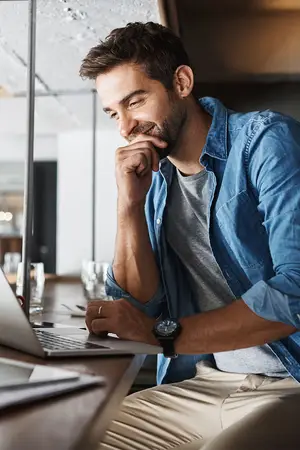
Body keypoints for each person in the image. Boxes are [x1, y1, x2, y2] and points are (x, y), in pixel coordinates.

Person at [80, 22, 300, 450]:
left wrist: (164, 334)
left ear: (181, 82)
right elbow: (137, 304)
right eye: (113, 113)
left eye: (135, 101)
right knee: (78, 435)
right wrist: (129, 204)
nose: (126, 127)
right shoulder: (156, 181)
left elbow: (295, 292)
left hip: (289, 381)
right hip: (207, 382)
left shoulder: (265, 141)